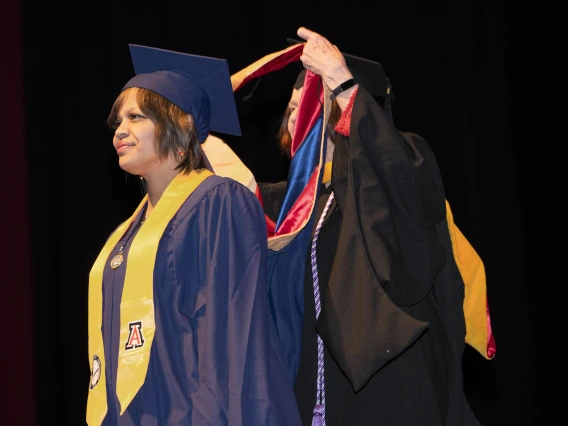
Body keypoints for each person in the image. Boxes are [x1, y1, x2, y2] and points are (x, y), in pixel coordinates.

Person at [205, 26, 495, 426]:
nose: (296, 114)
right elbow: (221, 189)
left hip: (390, 383)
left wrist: (341, 81)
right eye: (290, 109)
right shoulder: (283, 204)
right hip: (308, 389)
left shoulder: (399, 159)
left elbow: (393, 187)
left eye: (307, 101)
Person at [86, 44, 302, 426]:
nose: (120, 130)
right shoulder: (125, 236)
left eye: (135, 116)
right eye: (118, 120)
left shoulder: (219, 203)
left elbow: (232, 334)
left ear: (180, 126)